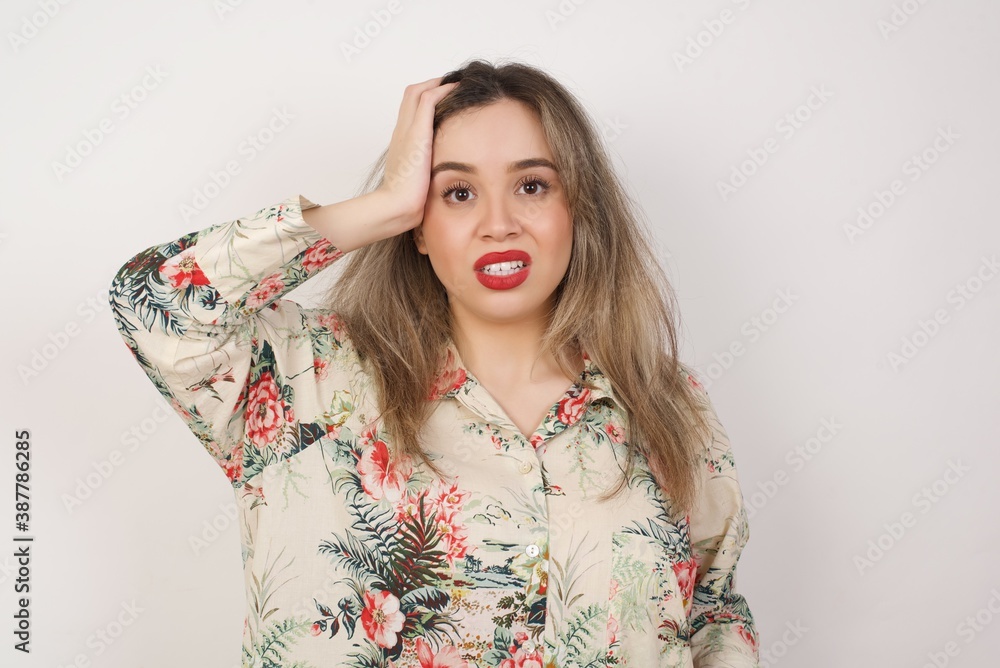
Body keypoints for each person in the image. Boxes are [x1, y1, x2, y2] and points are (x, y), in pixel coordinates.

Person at [109, 58, 759, 668]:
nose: (499, 223)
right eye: (457, 193)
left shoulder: (665, 400)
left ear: (577, 208)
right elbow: (153, 302)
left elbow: (713, 616)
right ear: (418, 223)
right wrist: (383, 206)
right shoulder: (303, 380)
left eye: (532, 185)